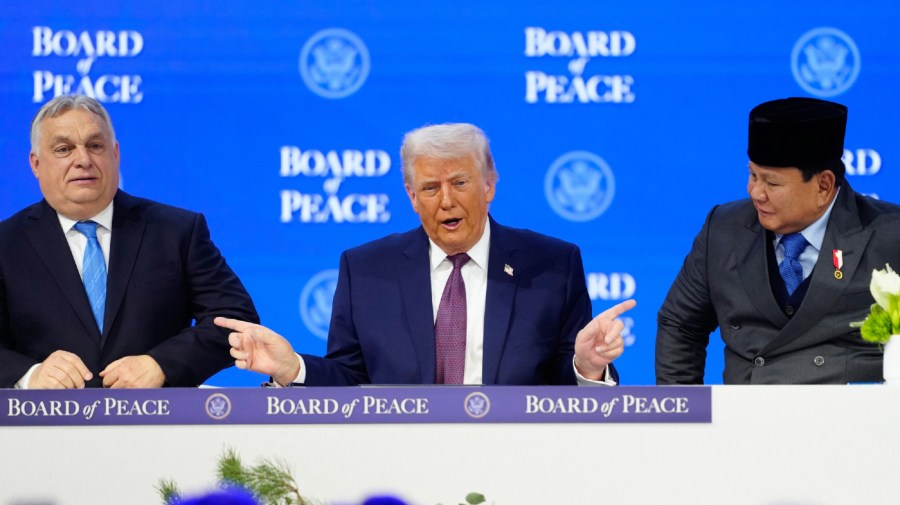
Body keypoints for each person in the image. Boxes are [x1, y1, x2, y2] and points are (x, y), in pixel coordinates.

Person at [216, 123, 635, 386]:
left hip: (517, 455)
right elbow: (349, 377)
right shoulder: (366, 270)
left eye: (460, 183)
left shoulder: (552, 265)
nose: (446, 201)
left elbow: (561, 385)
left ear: (489, 185)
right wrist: (292, 368)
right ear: (412, 197)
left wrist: (587, 367)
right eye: (431, 188)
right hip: (400, 457)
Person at [0, 94, 258, 388]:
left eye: (95, 146)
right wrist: (30, 375)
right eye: (63, 149)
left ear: (115, 154)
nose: (83, 160)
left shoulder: (177, 231)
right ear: (35, 164)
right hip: (44, 416)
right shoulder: (6, 244)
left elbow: (235, 319)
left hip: (159, 414)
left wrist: (162, 364)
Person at [656, 97, 900, 384]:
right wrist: (685, 406)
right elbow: (680, 325)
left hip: (847, 410)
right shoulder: (723, 229)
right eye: (753, 175)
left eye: (772, 183)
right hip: (747, 408)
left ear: (823, 186)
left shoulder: (889, 235)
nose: (756, 193)